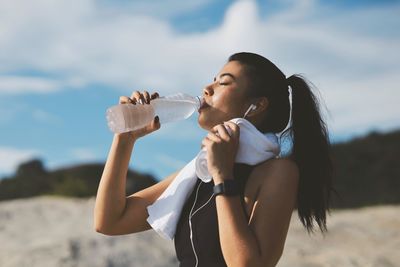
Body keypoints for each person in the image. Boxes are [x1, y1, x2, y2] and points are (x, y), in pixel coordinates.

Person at [94, 52, 335, 267]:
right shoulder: (195, 172)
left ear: (257, 105)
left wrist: (223, 176)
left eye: (223, 83)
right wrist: (125, 140)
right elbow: (110, 222)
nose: (206, 89)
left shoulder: (278, 171)